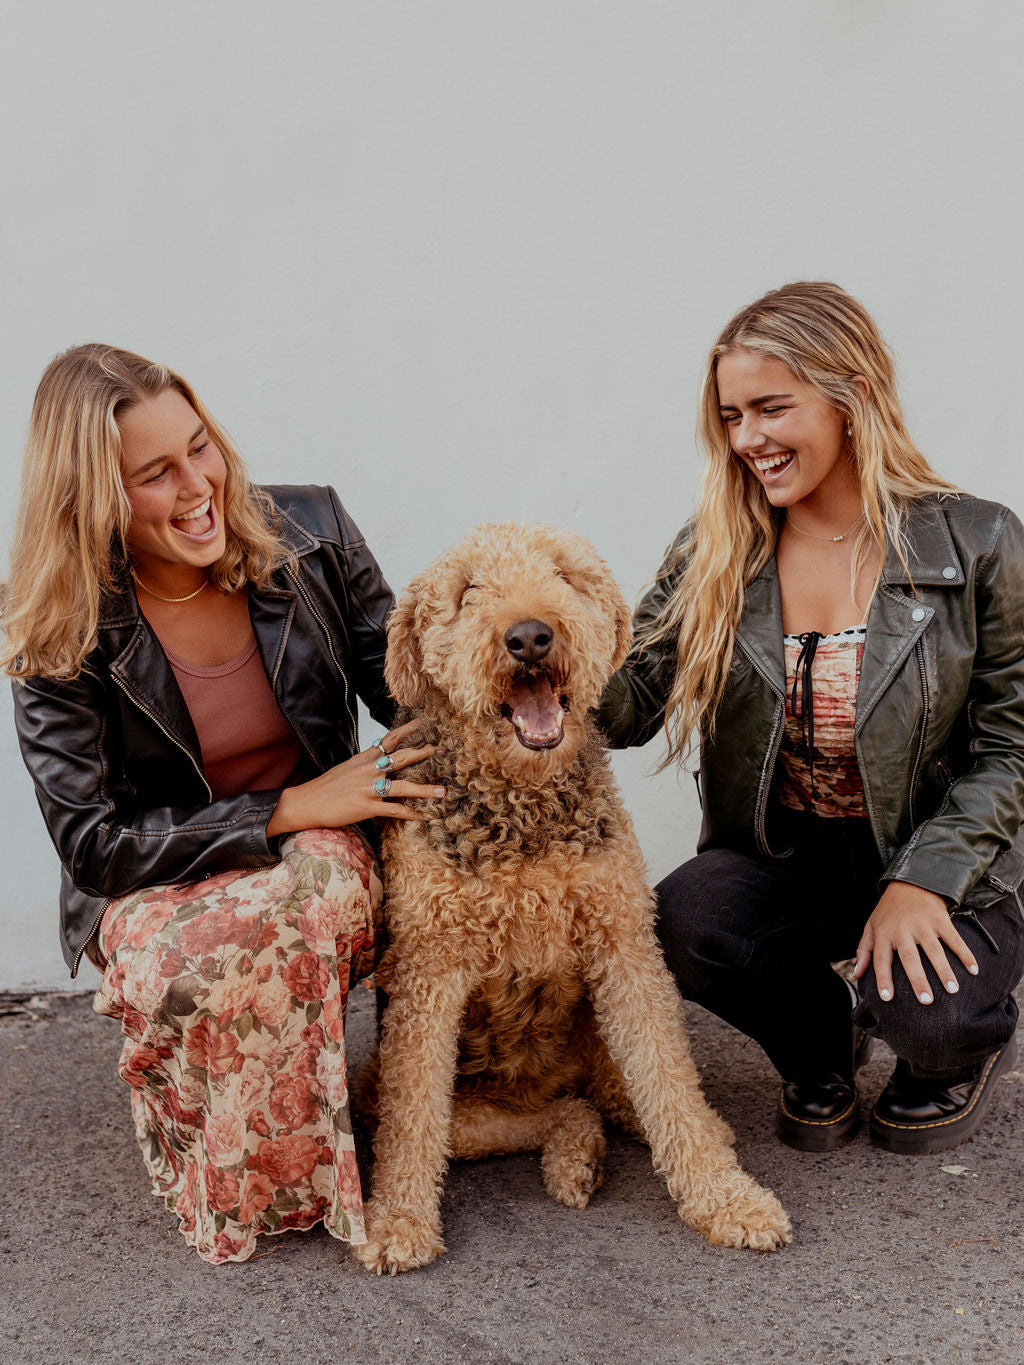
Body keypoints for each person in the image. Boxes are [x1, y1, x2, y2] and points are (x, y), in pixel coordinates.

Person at [3, 344, 443, 1262]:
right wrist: (284, 807)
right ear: (93, 497)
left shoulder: (311, 532)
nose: (199, 483)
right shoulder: (55, 621)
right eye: (156, 474)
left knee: (308, 890)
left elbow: (411, 697)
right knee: (202, 951)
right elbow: (93, 841)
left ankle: (284, 1166)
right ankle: (248, 1143)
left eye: (201, 446)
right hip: (158, 874)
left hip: (322, 852)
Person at [599, 282, 1024, 1155]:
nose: (746, 437)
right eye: (729, 415)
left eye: (770, 407)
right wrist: (531, 657)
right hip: (789, 853)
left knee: (934, 1015)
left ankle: (945, 1056)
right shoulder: (716, 547)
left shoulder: (979, 542)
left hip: (936, 847)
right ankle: (821, 1044)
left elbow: (1013, 745)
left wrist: (924, 880)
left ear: (852, 394)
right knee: (688, 917)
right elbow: (630, 701)